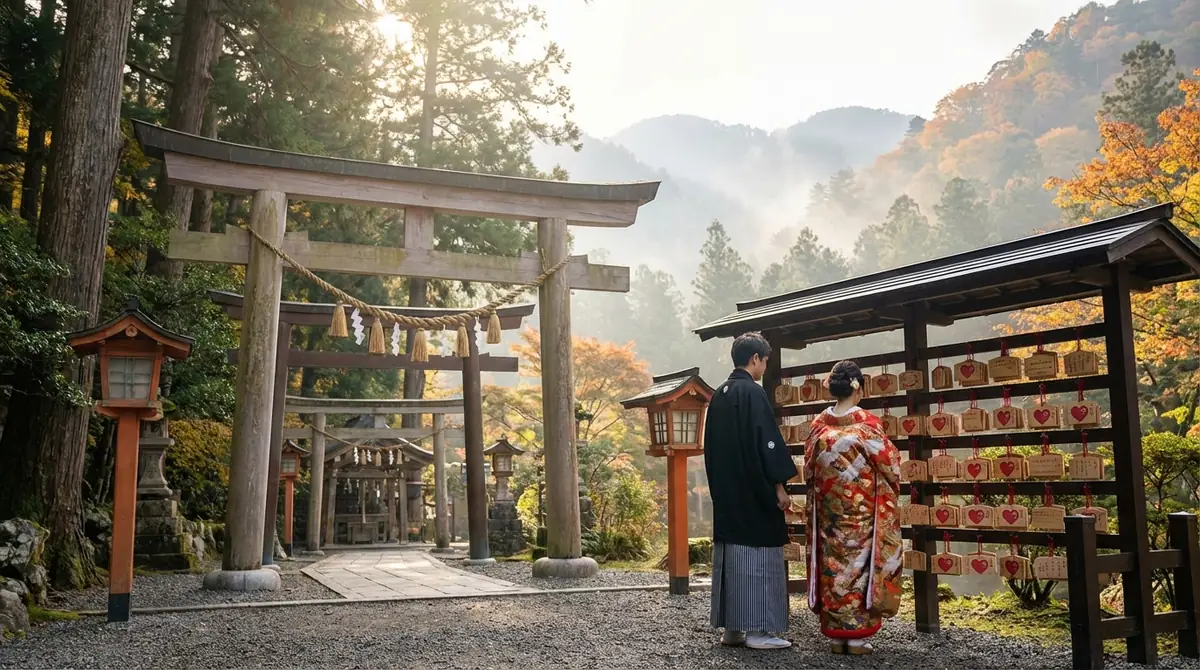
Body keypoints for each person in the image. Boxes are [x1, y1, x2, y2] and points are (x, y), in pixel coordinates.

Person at [703, 332, 798, 650]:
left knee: (732, 554)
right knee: (759, 554)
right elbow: (767, 444)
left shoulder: (720, 394)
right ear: (755, 359)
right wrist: (779, 485)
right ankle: (758, 630)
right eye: (765, 361)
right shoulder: (752, 394)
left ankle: (732, 629)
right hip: (754, 493)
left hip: (728, 493)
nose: (765, 367)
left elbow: (711, 448)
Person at [803, 360, 903, 655]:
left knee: (833, 567)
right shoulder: (867, 426)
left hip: (829, 513)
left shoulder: (818, 427)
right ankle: (856, 638)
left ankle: (836, 636)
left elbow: (809, 469)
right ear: (858, 388)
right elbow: (891, 466)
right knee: (858, 567)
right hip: (861, 513)